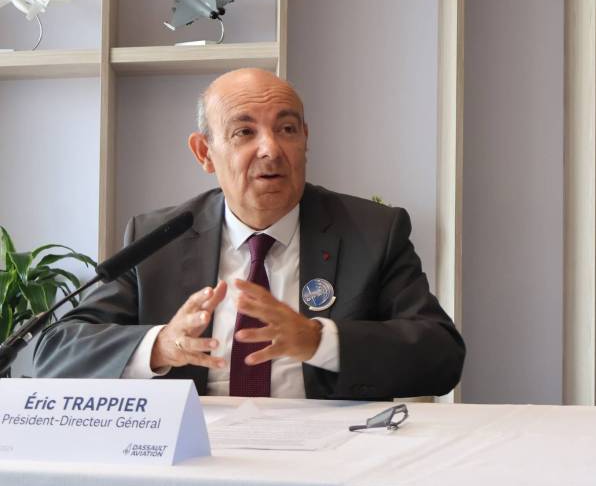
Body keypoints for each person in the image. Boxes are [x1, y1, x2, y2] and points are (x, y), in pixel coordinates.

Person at [34, 68, 464, 400]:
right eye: (244, 132)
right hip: (195, 457)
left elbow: (441, 355)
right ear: (205, 153)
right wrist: (163, 344)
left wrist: (318, 340)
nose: (271, 149)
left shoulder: (371, 232)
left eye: (287, 129)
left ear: (305, 141)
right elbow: (56, 351)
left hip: (330, 460)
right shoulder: (157, 238)